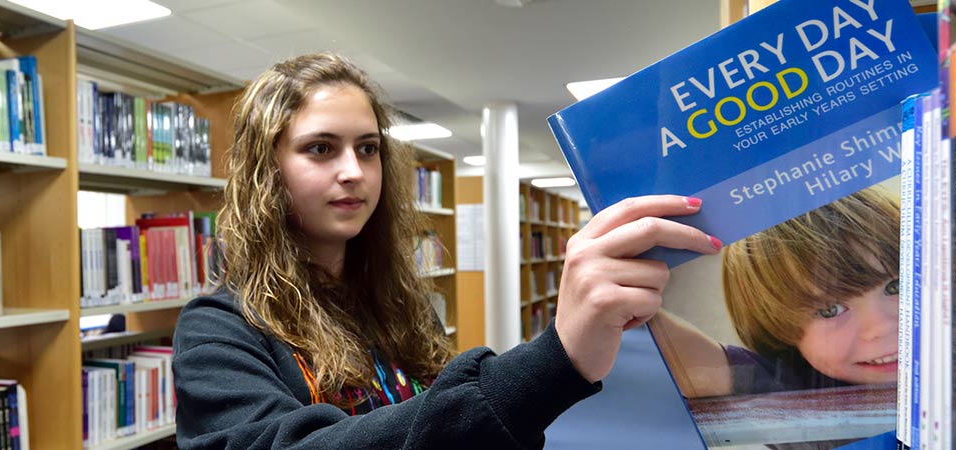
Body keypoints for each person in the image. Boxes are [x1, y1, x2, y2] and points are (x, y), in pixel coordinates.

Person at [172, 52, 721, 449]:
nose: (353, 172)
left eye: (368, 149)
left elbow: (446, 429)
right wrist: (556, 358)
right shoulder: (218, 329)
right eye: (320, 149)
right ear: (267, 170)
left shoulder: (391, 303)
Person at [651, 187, 901, 398]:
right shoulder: (795, 394)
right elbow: (683, 358)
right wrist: (617, 290)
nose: (879, 327)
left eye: (895, 287)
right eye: (829, 310)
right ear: (778, 331)